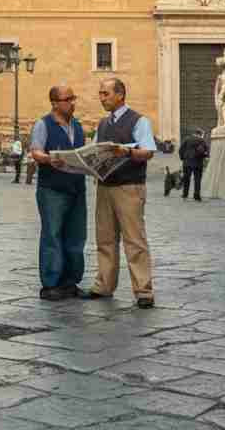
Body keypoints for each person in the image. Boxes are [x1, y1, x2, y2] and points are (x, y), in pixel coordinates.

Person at [83, 78, 158, 309]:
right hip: (105, 187)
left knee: (134, 239)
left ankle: (143, 291)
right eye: (100, 94)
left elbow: (147, 152)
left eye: (105, 93)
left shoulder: (139, 121)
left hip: (129, 187)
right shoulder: (103, 124)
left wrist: (124, 151)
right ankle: (104, 285)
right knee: (105, 239)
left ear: (120, 95)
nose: (101, 98)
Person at [29, 85, 87, 301]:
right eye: (67, 99)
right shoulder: (43, 125)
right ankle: (51, 284)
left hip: (76, 188)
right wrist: (49, 158)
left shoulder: (78, 126)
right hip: (52, 189)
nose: (72, 102)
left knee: (76, 236)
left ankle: (70, 282)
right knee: (52, 235)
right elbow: (35, 151)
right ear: (54, 103)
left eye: (73, 98)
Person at [179, 128, 209, 200]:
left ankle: (185, 194)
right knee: (197, 179)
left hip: (187, 162)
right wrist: (204, 157)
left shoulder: (187, 139)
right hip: (198, 162)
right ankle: (197, 195)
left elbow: (180, 150)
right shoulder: (202, 140)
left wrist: (183, 158)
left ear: (194, 133)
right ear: (200, 134)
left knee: (186, 179)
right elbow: (206, 151)